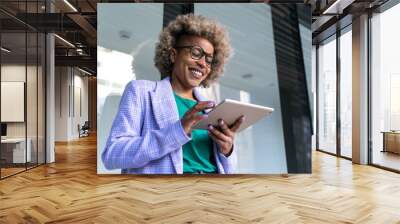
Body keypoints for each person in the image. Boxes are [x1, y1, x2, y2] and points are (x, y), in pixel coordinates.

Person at [102, 14, 244, 174]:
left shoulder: (211, 109)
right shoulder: (141, 92)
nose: (203, 63)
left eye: (209, 60)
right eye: (196, 53)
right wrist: (178, 131)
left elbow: (228, 170)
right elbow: (113, 154)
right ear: (173, 55)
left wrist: (227, 149)